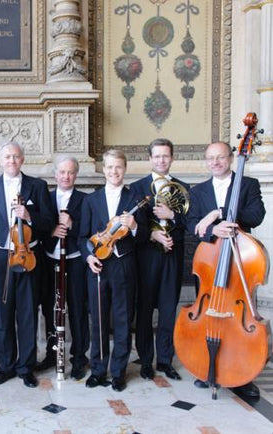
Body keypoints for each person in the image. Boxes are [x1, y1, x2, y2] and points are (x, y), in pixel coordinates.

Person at [186, 141, 266, 398]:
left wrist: (221, 212)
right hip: (210, 262)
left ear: (231, 158)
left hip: (240, 260)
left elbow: (256, 215)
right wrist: (213, 230)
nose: (215, 162)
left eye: (220, 157)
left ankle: (243, 375)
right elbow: (191, 225)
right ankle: (208, 367)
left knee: (238, 322)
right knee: (209, 315)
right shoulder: (198, 190)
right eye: (211, 158)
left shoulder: (248, 184)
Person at [0, 142, 54, 388]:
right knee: (2, 315)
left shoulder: (38, 186)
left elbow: (49, 222)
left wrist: (29, 216)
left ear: (22, 160)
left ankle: (26, 367)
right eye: (7, 156)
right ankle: (7, 365)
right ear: (0, 160)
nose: (11, 160)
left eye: (16, 156)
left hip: (28, 257)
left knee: (28, 314)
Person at [79, 149, 147, 392]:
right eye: (109, 167)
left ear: (124, 169)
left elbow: (145, 238)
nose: (113, 171)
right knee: (97, 320)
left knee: (122, 320)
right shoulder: (91, 200)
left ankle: (118, 372)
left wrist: (136, 225)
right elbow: (82, 238)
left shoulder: (135, 198)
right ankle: (98, 370)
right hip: (98, 266)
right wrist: (88, 257)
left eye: (118, 167)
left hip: (124, 266)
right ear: (103, 169)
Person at [130, 139, 189, 381]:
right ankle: (145, 361)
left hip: (172, 256)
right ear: (150, 159)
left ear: (172, 158)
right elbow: (134, 225)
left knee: (167, 309)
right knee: (143, 311)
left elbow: (191, 223)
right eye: (157, 156)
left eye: (165, 156)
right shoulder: (136, 188)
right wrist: (153, 234)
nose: (161, 160)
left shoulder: (183, 187)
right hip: (146, 256)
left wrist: (172, 215)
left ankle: (165, 360)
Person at [38, 155, 89, 380]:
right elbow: (37, 227)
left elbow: (90, 231)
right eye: (62, 172)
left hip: (75, 259)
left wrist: (72, 226)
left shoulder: (86, 200)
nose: (66, 176)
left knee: (77, 308)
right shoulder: (45, 198)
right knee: (50, 308)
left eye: (70, 172)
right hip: (50, 259)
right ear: (55, 174)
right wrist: (51, 232)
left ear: (75, 175)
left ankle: (79, 358)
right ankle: (52, 354)